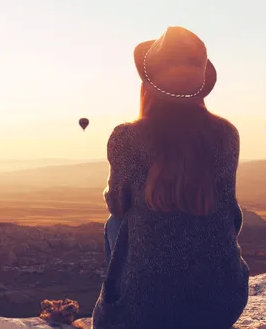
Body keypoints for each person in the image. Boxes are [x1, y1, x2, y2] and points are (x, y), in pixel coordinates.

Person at [92, 26, 249, 329]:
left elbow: (118, 205)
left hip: (144, 314)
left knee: (115, 224)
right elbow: (228, 211)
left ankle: (120, 296)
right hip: (221, 303)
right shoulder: (227, 135)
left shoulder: (126, 138)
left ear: (148, 84)